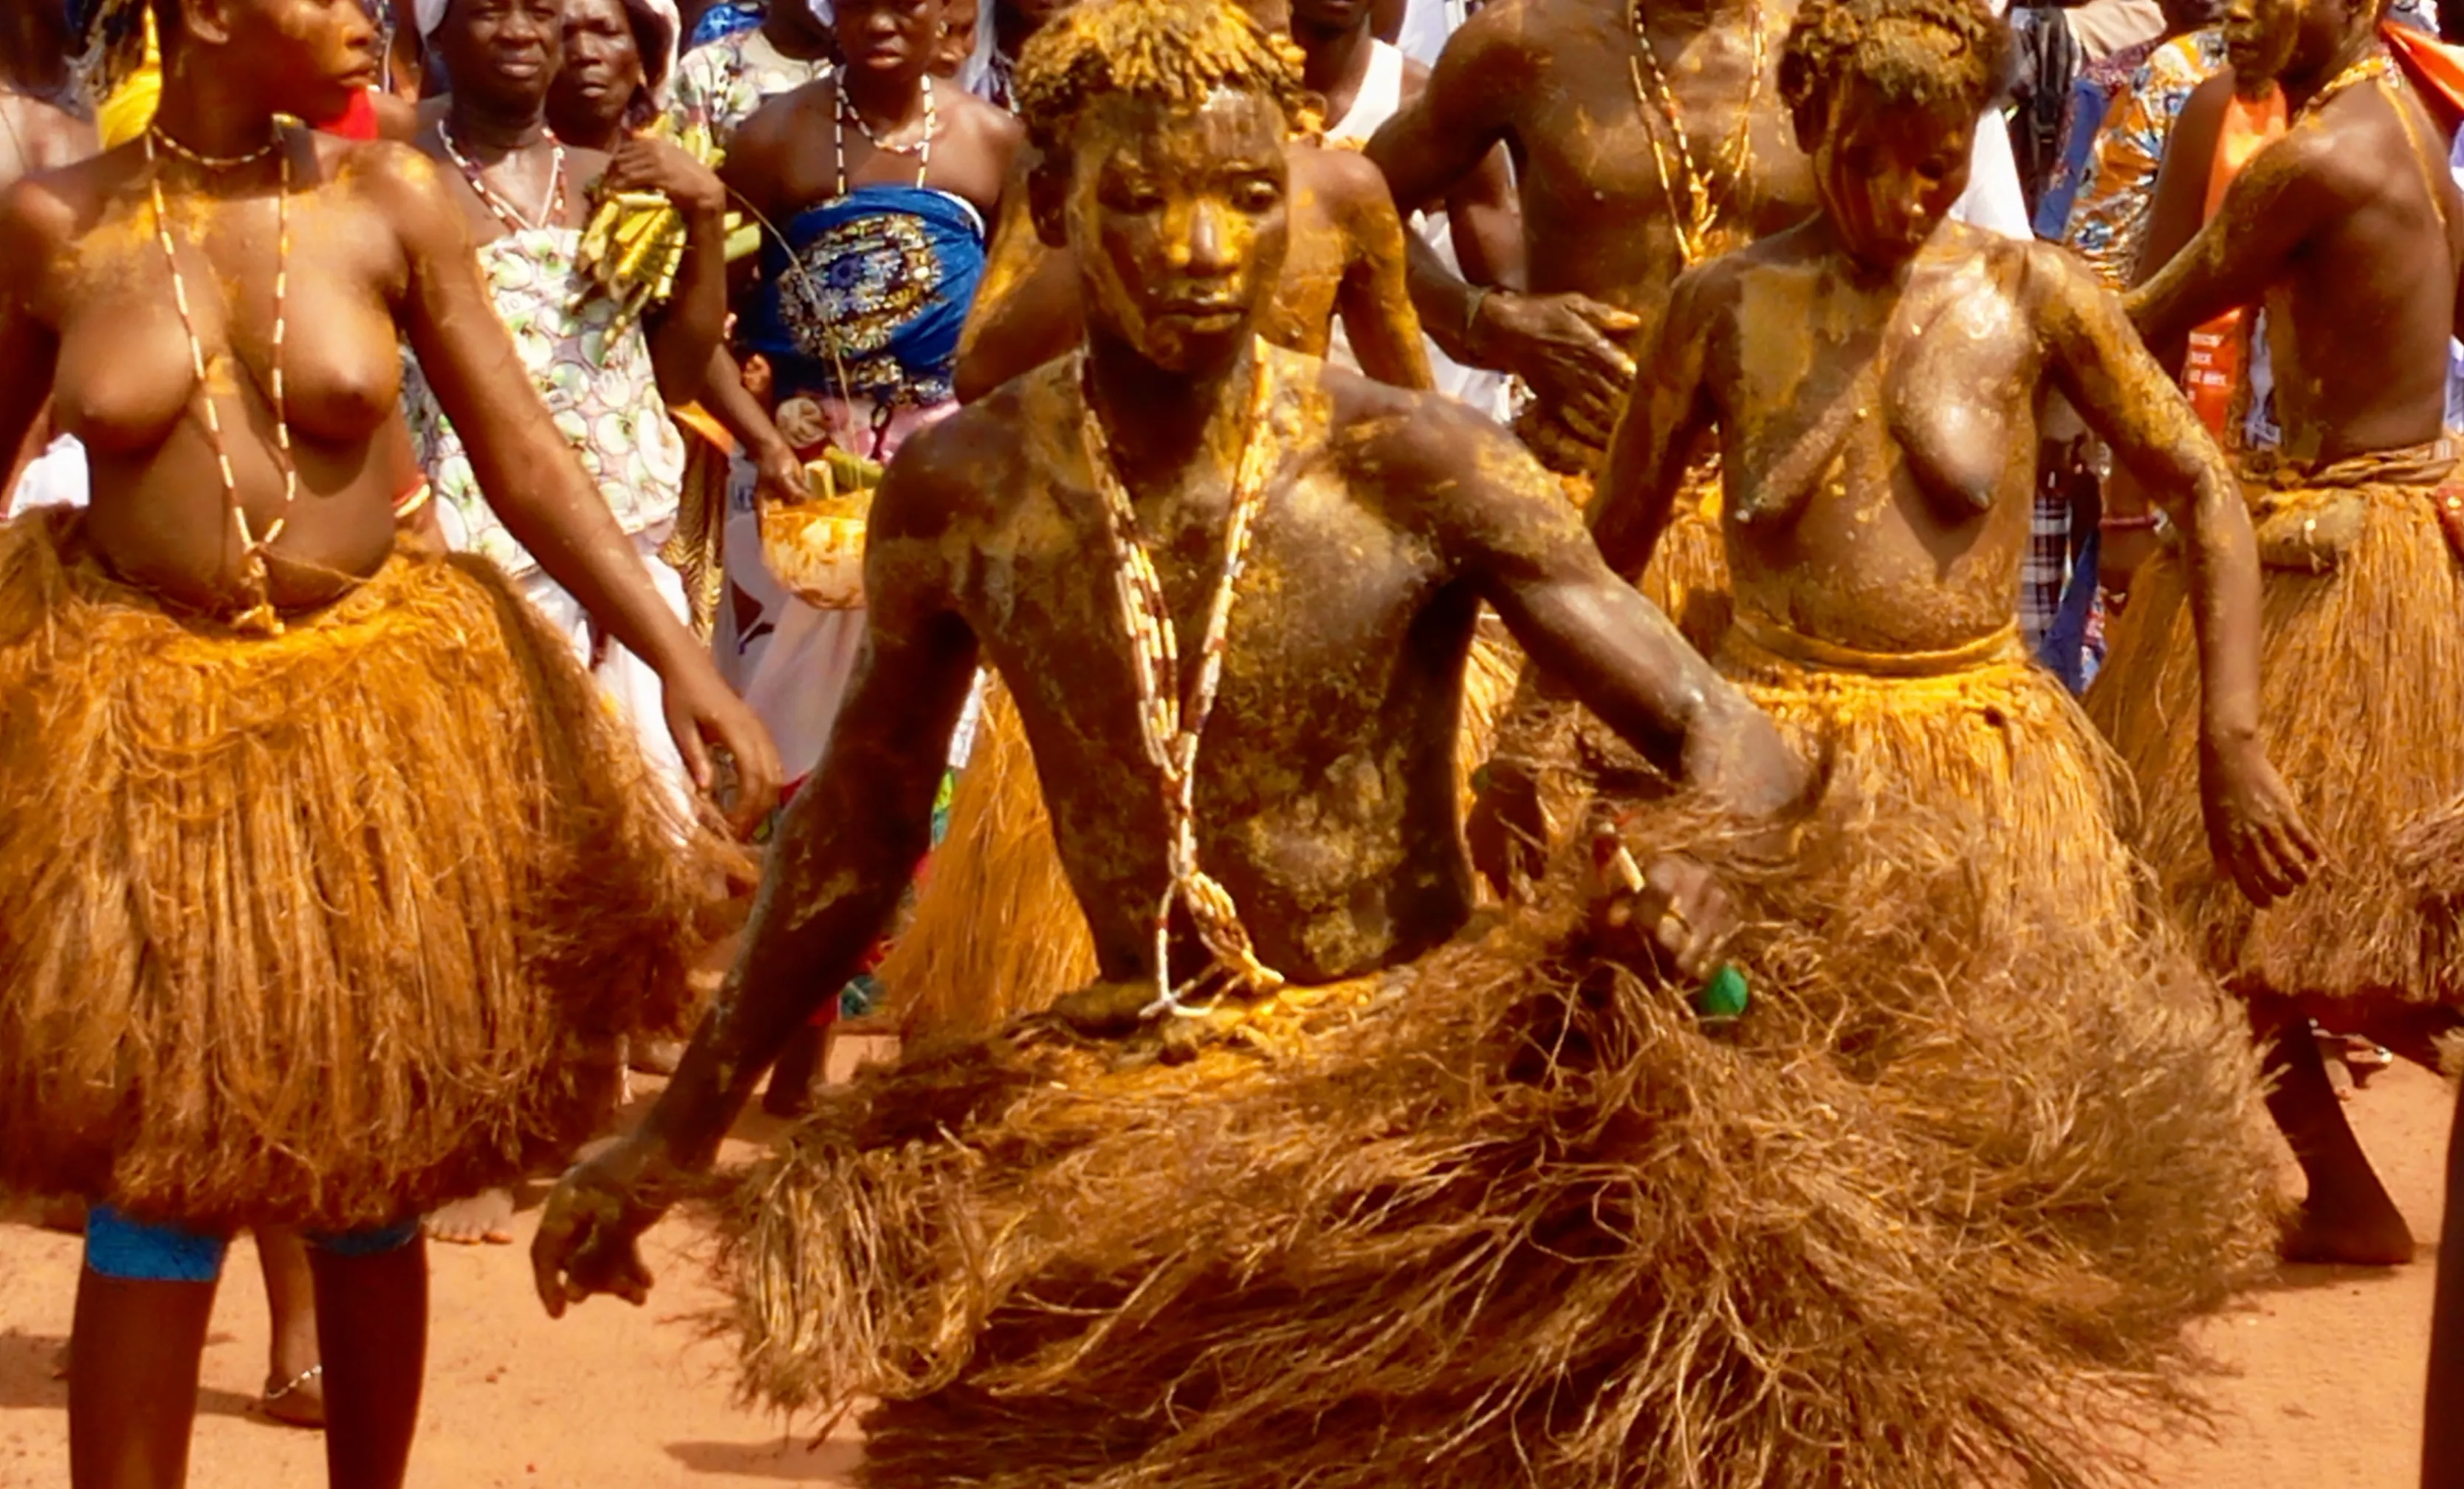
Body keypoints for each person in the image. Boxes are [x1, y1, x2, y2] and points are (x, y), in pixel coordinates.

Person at [532, 8, 2301, 1485]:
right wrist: (674, 1128)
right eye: (1142, 207)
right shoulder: (965, 489)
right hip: (1122, 1080)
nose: (1202, 253)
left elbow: (1722, 734)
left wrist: (1695, 867)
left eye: (1241, 199)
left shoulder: (1406, 466)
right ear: (1054, 204)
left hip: (1405, 1113)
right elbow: (848, 838)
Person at [0, 0, 777, 1485]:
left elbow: (525, 456)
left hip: (370, 737)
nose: (372, 20)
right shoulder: (54, 226)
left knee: (362, 1163)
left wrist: (684, 660)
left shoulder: (385, 202)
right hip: (141, 744)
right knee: (156, 1179)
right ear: (215, 14)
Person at [2090, 0, 2464, 1268]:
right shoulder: (2406, 121)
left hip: (2335, 559)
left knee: (2182, 890)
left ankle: (2348, 1196)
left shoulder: (2309, 160)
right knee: (2332, 913)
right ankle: (2346, 1192)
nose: (2237, 4)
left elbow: (2127, 322)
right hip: (2387, 528)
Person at [1296, 0, 1517, 416]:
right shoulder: (1233, 113)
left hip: (1442, 431)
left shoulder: (1436, 109)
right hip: (1290, 435)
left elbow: (1512, 301)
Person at [548, 0, 680, 149]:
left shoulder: (667, 165)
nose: (585, 53)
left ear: (642, 54)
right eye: (562, 36)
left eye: (607, 33)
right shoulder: (521, 167)